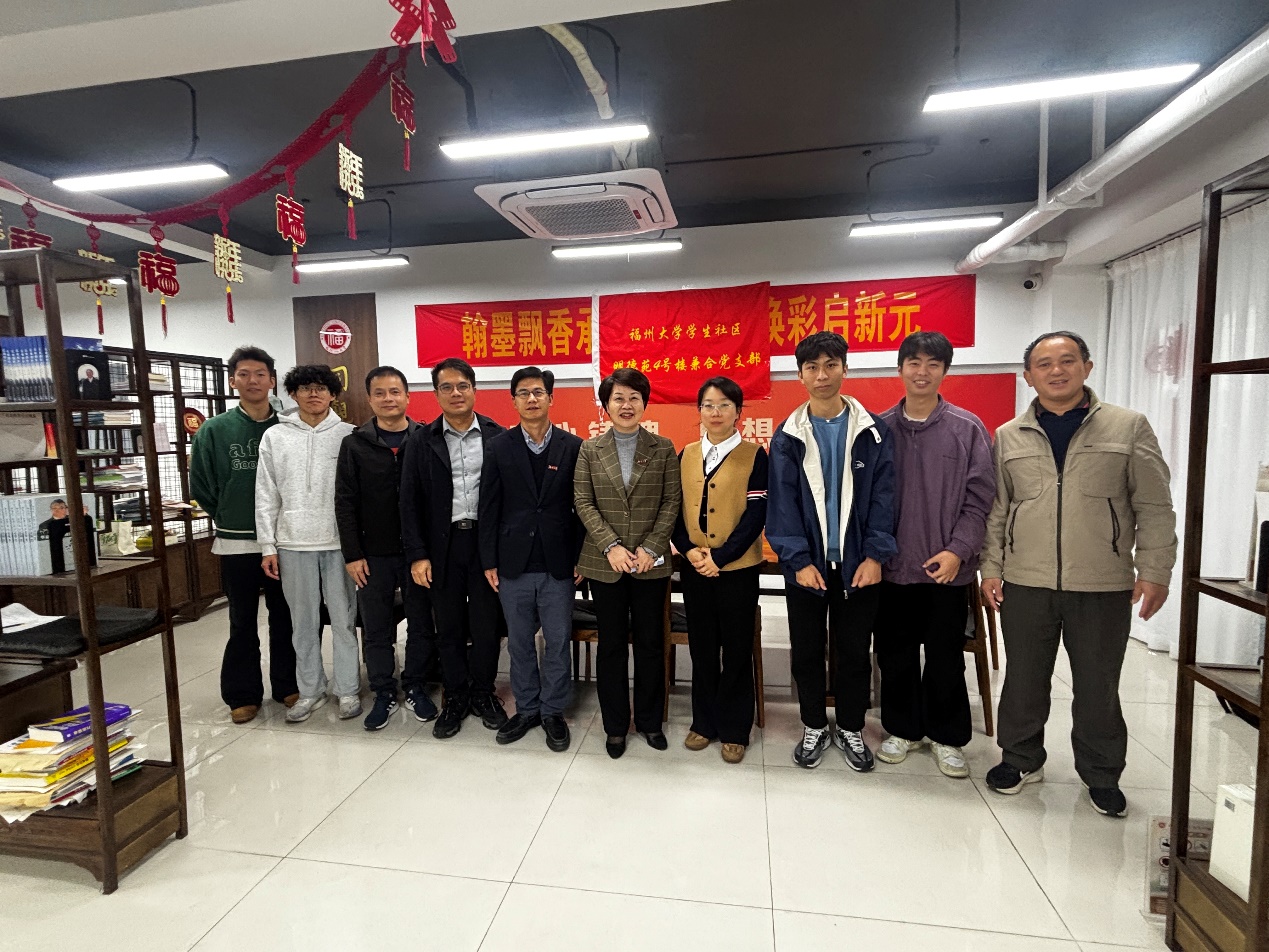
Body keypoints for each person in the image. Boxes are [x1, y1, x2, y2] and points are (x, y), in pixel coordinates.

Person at [980, 331, 1176, 817]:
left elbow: (1154, 505)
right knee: (1023, 680)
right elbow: (998, 510)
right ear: (1028, 376)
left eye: (1067, 360)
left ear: (1087, 367)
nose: (1056, 371)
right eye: (1044, 364)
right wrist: (991, 568)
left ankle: (1102, 773)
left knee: (1097, 685)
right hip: (1026, 579)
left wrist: (1155, 570)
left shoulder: (1128, 427)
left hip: (1102, 582)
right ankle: (1020, 759)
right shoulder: (1009, 435)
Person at [766, 330, 896, 772]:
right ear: (800, 375)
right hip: (808, 567)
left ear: (844, 368)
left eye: (830, 365)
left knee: (855, 651)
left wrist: (876, 556)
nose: (821, 375)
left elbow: (885, 498)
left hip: (859, 564)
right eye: (812, 367)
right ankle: (813, 724)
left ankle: (852, 726)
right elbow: (781, 504)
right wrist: (798, 561)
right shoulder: (787, 435)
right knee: (806, 651)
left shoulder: (872, 431)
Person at [874, 332, 995, 779]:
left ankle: (947, 736)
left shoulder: (967, 428)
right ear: (900, 369)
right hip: (893, 567)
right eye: (914, 362)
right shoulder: (880, 429)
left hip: (948, 570)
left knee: (945, 657)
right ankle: (902, 729)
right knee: (895, 655)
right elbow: (867, 501)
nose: (922, 372)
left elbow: (980, 499)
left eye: (932, 364)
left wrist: (958, 551)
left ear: (945, 370)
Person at [574, 367, 682, 759]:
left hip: (651, 564)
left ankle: (651, 723)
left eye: (634, 397)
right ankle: (616, 727)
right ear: (606, 405)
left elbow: (672, 501)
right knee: (613, 646)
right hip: (607, 564)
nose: (626, 405)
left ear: (644, 403)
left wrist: (651, 548)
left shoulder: (663, 447)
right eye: (618, 398)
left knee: (652, 644)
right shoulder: (589, 450)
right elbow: (583, 501)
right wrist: (611, 547)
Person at [189, 346, 297, 725]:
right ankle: (242, 694)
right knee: (242, 620)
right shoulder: (214, 430)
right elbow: (202, 485)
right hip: (236, 541)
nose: (253, 381)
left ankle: (288, 685)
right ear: (233, 380)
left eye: (260, 374)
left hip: (284, 541)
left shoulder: (288, 427)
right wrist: (227, 512)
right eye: (244, 374)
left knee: (286, 617)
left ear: (272, 380)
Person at [400, 357, 507, 739]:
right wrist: (417, 555)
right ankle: (456, 696)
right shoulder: (421, 440)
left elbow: (508, 499)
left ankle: (483, 693)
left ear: (474, 390)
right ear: (436, 394)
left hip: (485, 547)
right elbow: (409, 502)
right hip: (441, 547)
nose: (456, 393)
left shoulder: (497, 436)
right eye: (447, 387)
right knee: (447, 627)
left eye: (463, 385)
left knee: (486, 626)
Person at [478, 367, 584, 752]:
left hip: (560, 562)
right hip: (513, 562)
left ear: (551, 398)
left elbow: (583, 507)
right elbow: (488, 506)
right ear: (514, 401)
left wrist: (581, 557)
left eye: (538, 392)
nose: (532, 399)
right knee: (520, 641)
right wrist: (489, 559)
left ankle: (553, 710)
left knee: (556, 640)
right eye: (523, 393)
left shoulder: (574, 446)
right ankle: (526, 709)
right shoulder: (499, 446)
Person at [335, 365, 440, 732]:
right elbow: (345, 502)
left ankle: (415, 685)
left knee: (422, 623)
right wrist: (353, 554)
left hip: (418, 553)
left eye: (395, 392)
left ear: (407, 397)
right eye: (379, 393)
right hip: (372, 554)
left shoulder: (425, 438)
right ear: (370, 399)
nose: (388, 399)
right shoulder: (354, 444)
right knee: (377, 628)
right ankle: (383, 691)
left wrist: (429, 551)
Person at [670, 376, 768, 765]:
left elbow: (756, 514)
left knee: (737, 648)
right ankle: (704, 722)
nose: (716, 412)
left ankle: (734, 729)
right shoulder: (687, 454)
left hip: (738, 569)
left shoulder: (754, 455)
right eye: (709, 405)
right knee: (703, 647)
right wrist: (689, 550)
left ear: (738, 412)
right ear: (699, 411)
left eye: (725, 405)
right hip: (695, 567)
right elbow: (674, 510)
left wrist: (721, 557)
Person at [255, 364, 359, 724]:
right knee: (302, 623)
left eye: (321, 388)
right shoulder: (275, 436)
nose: (313, 394)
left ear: (333, 395)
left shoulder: (349, 435)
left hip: (339, 544)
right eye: (305, 388)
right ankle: (310, 690)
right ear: (293, 394)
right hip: (292, 542)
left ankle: (348, 689)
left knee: (344, 620)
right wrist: (268, 545)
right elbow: (265, 493)